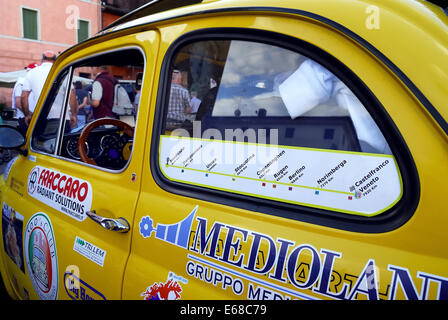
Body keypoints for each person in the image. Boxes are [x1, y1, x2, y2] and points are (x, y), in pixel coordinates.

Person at [11, 63, 38, 135]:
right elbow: (18, 103)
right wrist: (30, 114)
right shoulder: (21, 83)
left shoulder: (31, 83)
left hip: (30, 117)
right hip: (24, 117)